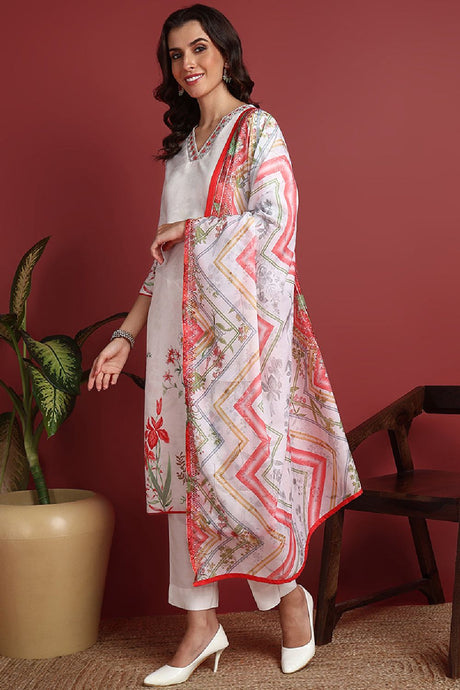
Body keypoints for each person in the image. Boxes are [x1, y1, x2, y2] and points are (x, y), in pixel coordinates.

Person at [88, 4, 361, 687]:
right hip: (175, 341)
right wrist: (124, 336)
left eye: (199, 48)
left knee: (245, 471)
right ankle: (200, 625)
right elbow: (163, 259)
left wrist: (196, 232)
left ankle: (288, 601)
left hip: (240, 346)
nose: (188, 64)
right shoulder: (181, 150)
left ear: (227, 53)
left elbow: (277, 229)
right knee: (186, 473)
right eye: (175, 55)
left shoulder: (258, 131)